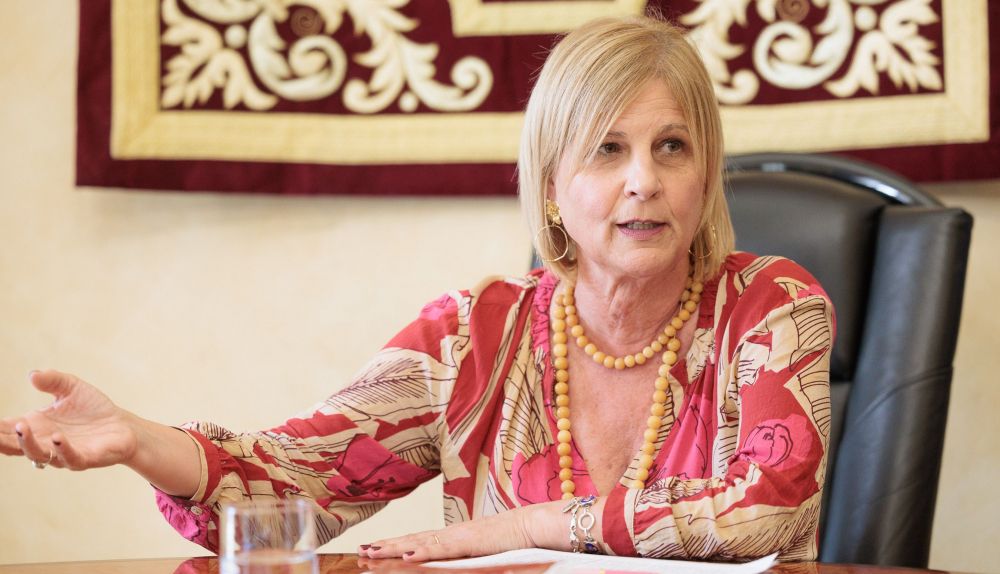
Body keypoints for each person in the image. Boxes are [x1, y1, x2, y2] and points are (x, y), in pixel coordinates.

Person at [0, 15, 833, 562]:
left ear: (705, 175)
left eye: (672, 147)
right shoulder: (475, 335)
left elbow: (764, 510)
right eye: (607, 150)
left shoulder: (773, 306)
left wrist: (524, 527)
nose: (644, 180)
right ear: (551, 186)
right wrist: (137, 440)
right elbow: (297, 485)